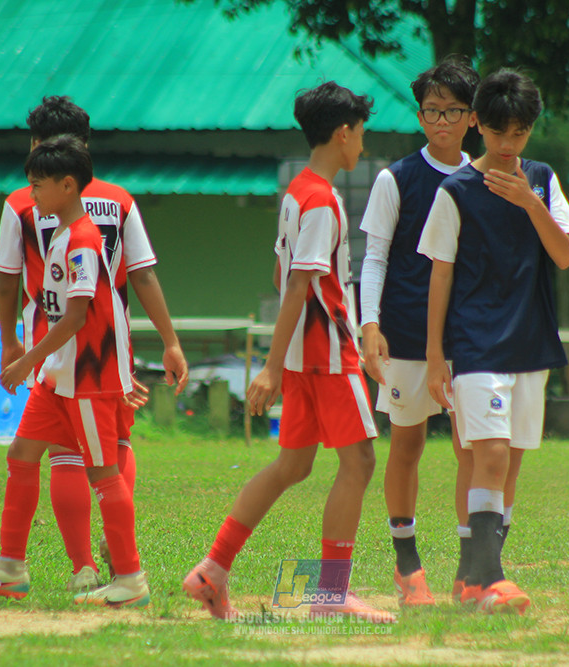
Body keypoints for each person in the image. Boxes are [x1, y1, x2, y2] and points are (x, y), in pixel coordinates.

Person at [183, 82, 393, 624]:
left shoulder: (297, 191)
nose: (362, 146)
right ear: (343, 133)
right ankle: (331, 593)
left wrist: (282, 363)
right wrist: (271, 368)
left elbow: (281, 273)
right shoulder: (322, 199)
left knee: (293, 464)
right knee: (361, 460)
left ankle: (214, 568)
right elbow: (298, 286)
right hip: (325, 356)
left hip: (305, 357)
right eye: (361, 134)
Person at [0, 96, 188, 590]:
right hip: (93, 350)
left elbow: (11, 284)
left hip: (79, 354)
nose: (32, 181)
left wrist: (14, 346)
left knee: (85, 463)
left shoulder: (32, 207)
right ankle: (15, 567)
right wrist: (169, 340)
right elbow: (142, 276)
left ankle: (107, 568)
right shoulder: (115, 202)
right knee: (64, 452)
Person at [419, 69, 569, 614]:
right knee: (486, 455)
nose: (508, 145)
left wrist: (530, 203)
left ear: (530, 131)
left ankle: (471, 581)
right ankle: (493, 578)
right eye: (497, 133)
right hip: (474, 345)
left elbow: (564, 256)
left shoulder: (541, 179)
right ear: (477, 127)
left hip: (529, 342)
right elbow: (439, 274)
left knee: (509, 465)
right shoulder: (456, 190)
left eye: (518, 133)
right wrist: (435, 354)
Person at [0, 135, 150, 607]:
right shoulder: (64, 235)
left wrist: (27, 358)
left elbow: (76, 316)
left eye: (38, 186)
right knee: (21, 455)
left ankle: (129, 580)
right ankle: (11, 568)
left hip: (85, 378)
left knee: (104, 474)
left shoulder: (83, 240)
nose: (32, 196)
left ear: (67, 186)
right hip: (57, 374)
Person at [359, 55, 480, 606]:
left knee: (471, 450)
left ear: (473, 117)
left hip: (471, 338)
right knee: (406, 445)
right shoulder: (396, 178)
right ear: (420, 115)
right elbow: (375, 257)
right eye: (431, 111)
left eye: (452, 111)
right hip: (405, 333)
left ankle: (469, 568)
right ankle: (407, 566)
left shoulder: (488, 178)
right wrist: (369, 324)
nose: (441, 122)